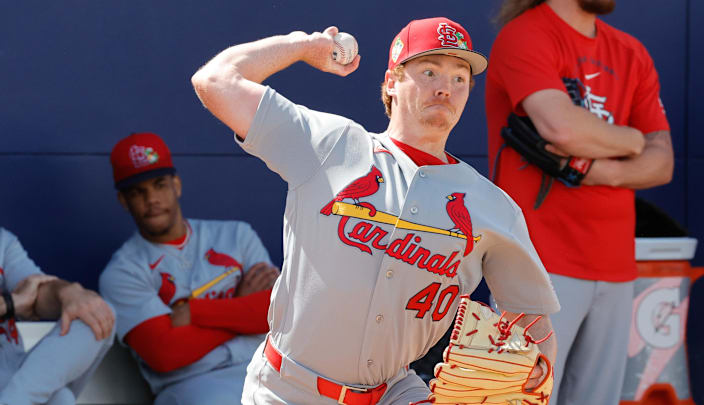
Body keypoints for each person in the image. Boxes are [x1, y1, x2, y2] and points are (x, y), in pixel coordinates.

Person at [191, 17, 561, 405]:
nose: (444, 89)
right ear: (391, 83)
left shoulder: (492, 206)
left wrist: (537, 372)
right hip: (287, 389)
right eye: (429, 71)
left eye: (459, 78)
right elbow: (215, 81)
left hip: (392, 393)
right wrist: (300, 46)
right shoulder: (330, 144)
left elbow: (533, 319)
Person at [485, 1, 675, 404]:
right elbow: (562, 128)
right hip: (536, 265)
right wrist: (636, 140)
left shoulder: (630, 51)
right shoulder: (526, 34)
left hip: (616, 266)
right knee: (526, 398)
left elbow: (663, 163)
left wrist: (600, 171)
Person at [99, 132, 279, 405]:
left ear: (177, 185)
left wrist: (194, 312)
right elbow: (165, 352)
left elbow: (277, 312)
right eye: (138, 192)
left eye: (159, 185)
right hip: (192, 384)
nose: (152, 200)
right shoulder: (123, 272)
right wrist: (241, 308)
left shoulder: (237, 236)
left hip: (262, 366)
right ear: (124, 201)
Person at [0, 228, 115, 405]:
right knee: (62, 399)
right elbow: (20, 299)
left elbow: (34, 291)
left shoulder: (3, 240)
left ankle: (16, 399)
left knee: (97, 311)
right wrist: (11, 304)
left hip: (15, 371)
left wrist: (66, 293)